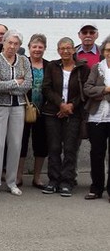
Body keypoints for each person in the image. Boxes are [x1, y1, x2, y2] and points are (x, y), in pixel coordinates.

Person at [40, 37, 89, 197]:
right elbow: (46, 88)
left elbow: (85, 92)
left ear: (74, 50)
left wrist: (70, 106)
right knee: (54, 147)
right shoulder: (52, 66)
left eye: (68, 48)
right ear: (58, 50)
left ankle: (67, 181)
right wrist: (60, 104)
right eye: (62, 48)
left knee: (70, 148)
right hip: (52, 112)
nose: (65, 51)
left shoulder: (83, 68)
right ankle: (53, 180)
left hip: (74, 113)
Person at [0, 29, 32, 196]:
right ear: (3, 43)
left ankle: (12, 182)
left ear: (20, 46)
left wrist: (10, 86)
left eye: (16, 44)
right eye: (9, 43)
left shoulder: (24, 61)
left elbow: (28, 84)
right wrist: (15, 83)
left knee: (15, 144)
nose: (12, 46)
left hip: (18, 106)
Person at [16, 34, 49, 189]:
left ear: (45, 49)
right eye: (34, 46)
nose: (37, 50)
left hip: (43, 111)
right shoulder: (22, 63)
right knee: (20, 143)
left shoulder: (50, 66)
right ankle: (18, 176)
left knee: (41, 144)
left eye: (40, 47)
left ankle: (37, 178)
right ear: (28, 48)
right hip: (23, 109)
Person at [83, 35, 110, 200]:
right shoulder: (97, 68)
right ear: (103, 51)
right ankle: (96, 188)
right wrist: (105, 90)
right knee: (97, 153)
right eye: (108, 50)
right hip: (97, 117)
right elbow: (88, 88)